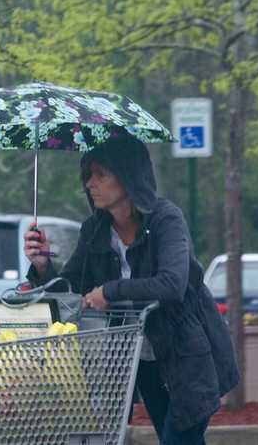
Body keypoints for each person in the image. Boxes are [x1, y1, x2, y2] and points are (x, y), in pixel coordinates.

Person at [23, 135, 240, 445]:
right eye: (88, 175)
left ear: (128, 176)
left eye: (100, 174)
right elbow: (70, 290)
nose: (89, 184)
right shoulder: (95, 230)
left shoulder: (166, 219)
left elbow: (172, 284)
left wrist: (110, 291)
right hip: (143, 359)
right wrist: (43, 266)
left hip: (188, 354)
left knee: (179, 439)